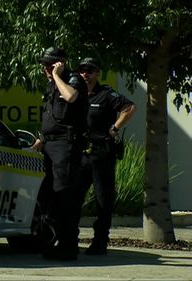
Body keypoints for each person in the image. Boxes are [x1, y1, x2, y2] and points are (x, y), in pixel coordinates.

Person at [32, 47, 89, 261]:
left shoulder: (72, 80)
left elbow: (71, 97)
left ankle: (68, 246)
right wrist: (42, 139)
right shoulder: (52, 85)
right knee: (52, 198)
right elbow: (52, 116)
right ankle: (57, 242)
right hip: (51, 146)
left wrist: (57, 75)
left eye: (50, 65)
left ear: (60, 63)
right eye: (44, 65)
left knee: (65, 197)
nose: (45, 69)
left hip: (67, 146)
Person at [77, 57, 136, 255]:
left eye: (90, 70)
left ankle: (100, 241)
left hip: (101, 153)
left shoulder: (106, 94)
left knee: (103, 199)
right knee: (74, 197)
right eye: (83, 70)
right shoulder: (77, 94)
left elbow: (129, 108)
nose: (86, 74)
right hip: (81, 154)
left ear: (97, 73)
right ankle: (69, 238)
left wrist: (114, 128)